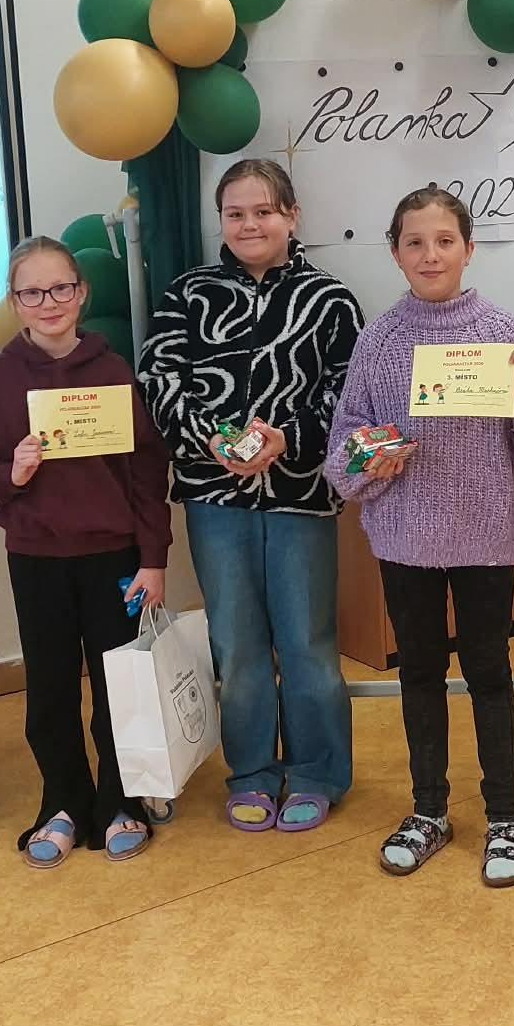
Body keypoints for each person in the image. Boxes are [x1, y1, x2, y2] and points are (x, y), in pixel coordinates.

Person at [325, 187, 514, 888]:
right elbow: (343, 451)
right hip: (404, 539)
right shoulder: (378, 339)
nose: (430, 254)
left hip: (486, 537)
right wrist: (370, 460)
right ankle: (429, 810)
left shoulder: (501, 330)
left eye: (444, 241)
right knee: (419, 674)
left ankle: (504, 818)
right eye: (415, 242)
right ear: (395, 252)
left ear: (469, 248)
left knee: (490, 674)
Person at [139, 160, 364, 834]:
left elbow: (350, 394)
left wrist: (288, 438)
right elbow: (158, 380)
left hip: (301, 494)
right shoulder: (186, 294)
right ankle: (253, 772)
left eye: (264, 211)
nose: (249, 224)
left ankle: (317, 772)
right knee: (235, 645)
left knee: (307, 643)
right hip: (214, 498)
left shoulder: (331, 300)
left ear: (292, 216)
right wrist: (208, 437)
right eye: (235, 213)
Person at [0, 236, 172, 868]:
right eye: (32, 292)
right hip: (37, 559)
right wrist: (12, 473)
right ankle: (62, 803)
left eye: (61, 288)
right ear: (14, 301)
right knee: (50, 688)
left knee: (117, 688)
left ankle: (120, 801)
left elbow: (145, 472)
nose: (48, 302)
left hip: (115, 559)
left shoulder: (114, 371)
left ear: (82, 294)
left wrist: (153, 558)